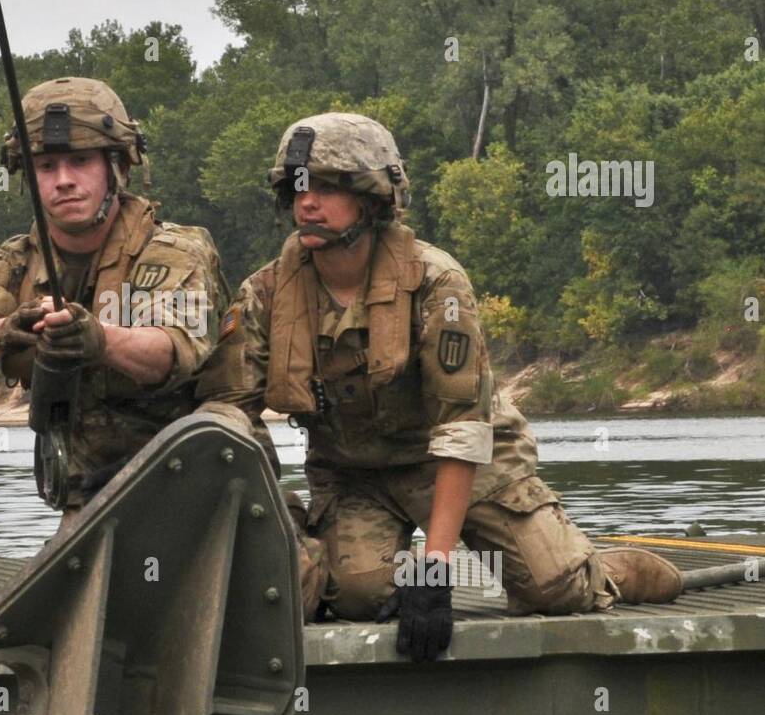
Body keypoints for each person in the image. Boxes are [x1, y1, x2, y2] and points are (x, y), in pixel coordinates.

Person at [196, 112, 683, 661]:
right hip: (359, 475)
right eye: (299, 187)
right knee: (358, 597)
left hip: (470, 464)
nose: (308, 202)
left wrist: (435, 568)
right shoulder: (265, 293)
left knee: (556, 588)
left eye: (330, 186)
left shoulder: (435, 281)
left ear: (373, 198)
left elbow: (462, 428)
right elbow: (229, 413)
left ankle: (614, 567)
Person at [0, 76, 225, 513]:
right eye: (46, 167)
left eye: (80, 161)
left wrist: (98, 338)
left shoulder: (173, 251)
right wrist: (4, 331)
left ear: (116, 167)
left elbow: (170, 351)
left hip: (194, 490)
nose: (64, 181)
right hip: (88, 500)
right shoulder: (13, 262)